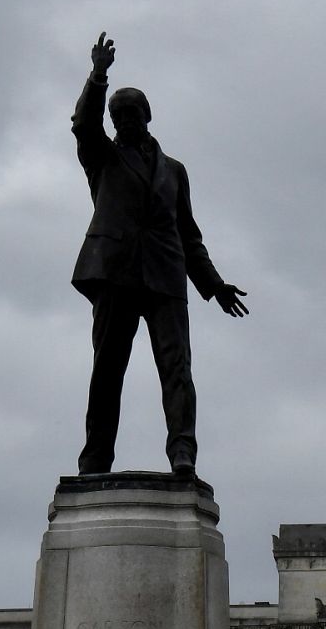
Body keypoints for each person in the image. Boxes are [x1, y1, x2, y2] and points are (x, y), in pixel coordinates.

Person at [71, 31, 249, 478]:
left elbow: (188, 234)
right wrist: (98, 77)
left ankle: (182, 451)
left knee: (177, 369)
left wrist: (213, 284)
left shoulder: (174, 171)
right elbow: (83, 124)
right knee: (107, 371)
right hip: (115, 273)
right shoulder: (102, 157)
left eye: (131, 113)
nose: (123, 120)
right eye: (117, 115)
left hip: (166, 277)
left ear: (148, 116)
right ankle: (95, 460)